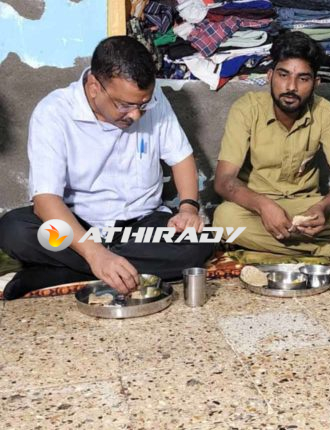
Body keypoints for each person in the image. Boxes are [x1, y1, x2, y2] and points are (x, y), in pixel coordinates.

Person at [0, 36, 215, 299]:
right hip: (78, 227)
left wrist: (188, 208)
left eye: (143, 105)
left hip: (141, 226)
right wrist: (95, 254)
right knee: (14, 231)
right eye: (124, 105)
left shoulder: (152, 98)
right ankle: (105, 265)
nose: (136, 114)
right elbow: (46, 201)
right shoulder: (53, 112)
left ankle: (66, 273)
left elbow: (181, 157)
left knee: (200, 242)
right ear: (94, 87)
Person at [213, 31, 330, 256]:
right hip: (257, 208)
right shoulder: (246, 109)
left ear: (316, 83)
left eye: (303, 79)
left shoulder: (325, 112)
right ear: (270, 76)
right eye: (283, 75)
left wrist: (322, 208)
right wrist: (263, 206)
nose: (291, 86)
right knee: (224, 219)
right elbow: (224, 180)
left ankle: (278, 246)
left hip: (306, 208)